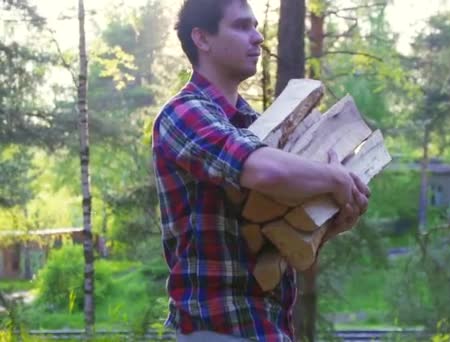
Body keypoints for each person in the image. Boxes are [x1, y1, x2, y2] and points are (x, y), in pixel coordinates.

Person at [151, 0, 370, 340]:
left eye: (255, 26)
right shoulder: (183, 114)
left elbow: (276, 253)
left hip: (268, 330)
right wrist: (334, 178)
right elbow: (264, 173)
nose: (257, 38)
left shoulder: (255, 125)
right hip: (213, 333)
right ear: (202, 39)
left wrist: (328, 227)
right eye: (241, 27)